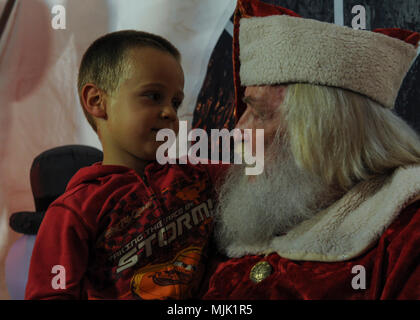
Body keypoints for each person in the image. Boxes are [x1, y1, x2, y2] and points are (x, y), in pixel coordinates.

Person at [203, 0, 420, 299]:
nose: (238, 131)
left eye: (262, 113)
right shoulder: (209, 195)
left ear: (331, 131)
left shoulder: (408, 235)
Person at [25, 30, 226, 300]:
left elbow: (264, 177)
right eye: (153, 96)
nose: (169, 112)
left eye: (176, 102)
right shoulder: (74, 212)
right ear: (97, 101)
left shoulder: (199, 175)